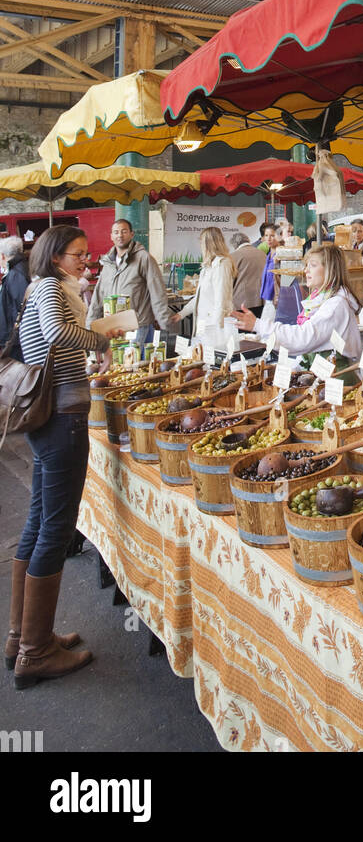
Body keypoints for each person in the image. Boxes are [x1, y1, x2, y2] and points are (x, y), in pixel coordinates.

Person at [10, 225, 121, 687]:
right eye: (78, 254)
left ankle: (23, 636)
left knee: (39, 521)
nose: (86, 260)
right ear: (55, 256)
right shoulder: (53, 288)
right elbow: (58, 332)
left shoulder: (39, 287)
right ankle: (35, 653)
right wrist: (102, 339)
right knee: (56, 526)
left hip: (46, 418)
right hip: (62, 419)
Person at [233, 243, 362, 359]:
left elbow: (303, 337)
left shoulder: (335, 305)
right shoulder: (322, 298)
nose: (306, 270)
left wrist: (259, 325)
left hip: (339, 378)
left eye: (313, 265)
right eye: (307, 265)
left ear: (330, 270)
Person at [86, 218, 174, 352]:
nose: (120, 235)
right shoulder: (108, 263)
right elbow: (98, 296)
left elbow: (157, 291)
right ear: (111, 236)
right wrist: (90, 325)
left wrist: (164, 322)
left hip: (138, 325)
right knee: (120, 367)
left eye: (124, 231)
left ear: (132, 234)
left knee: (136, 365)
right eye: (116, 232)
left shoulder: (143, 258)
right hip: (113, 328)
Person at [174, 227, 236, 335]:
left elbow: (221, 300)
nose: (200, 246)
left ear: (209, 243)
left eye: (202, 242)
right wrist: (181, 314)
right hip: (204, 325)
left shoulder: (222, 264)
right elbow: (200, 298)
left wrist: (216, 330)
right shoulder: (208, 267)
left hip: (213, 327)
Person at [0, 235, 30, 352]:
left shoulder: (16, 274)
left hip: (16, 339)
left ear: (2, 256)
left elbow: (21, 306)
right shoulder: (22, 268)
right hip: (17, 337)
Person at [230, 235, 267, 317]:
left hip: (241, 302)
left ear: (234, 245)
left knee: (243, 329)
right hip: (261, 300)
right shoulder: (262, 254)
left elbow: (229, 281)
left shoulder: (233, 256)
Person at [258, 222, 280, 306]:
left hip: (276, 298)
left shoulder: (280, 255)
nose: (268, 239)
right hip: (267, 298)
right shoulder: (268, 255)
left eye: (272, 235)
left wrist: (277, 264)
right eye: (266, 235)